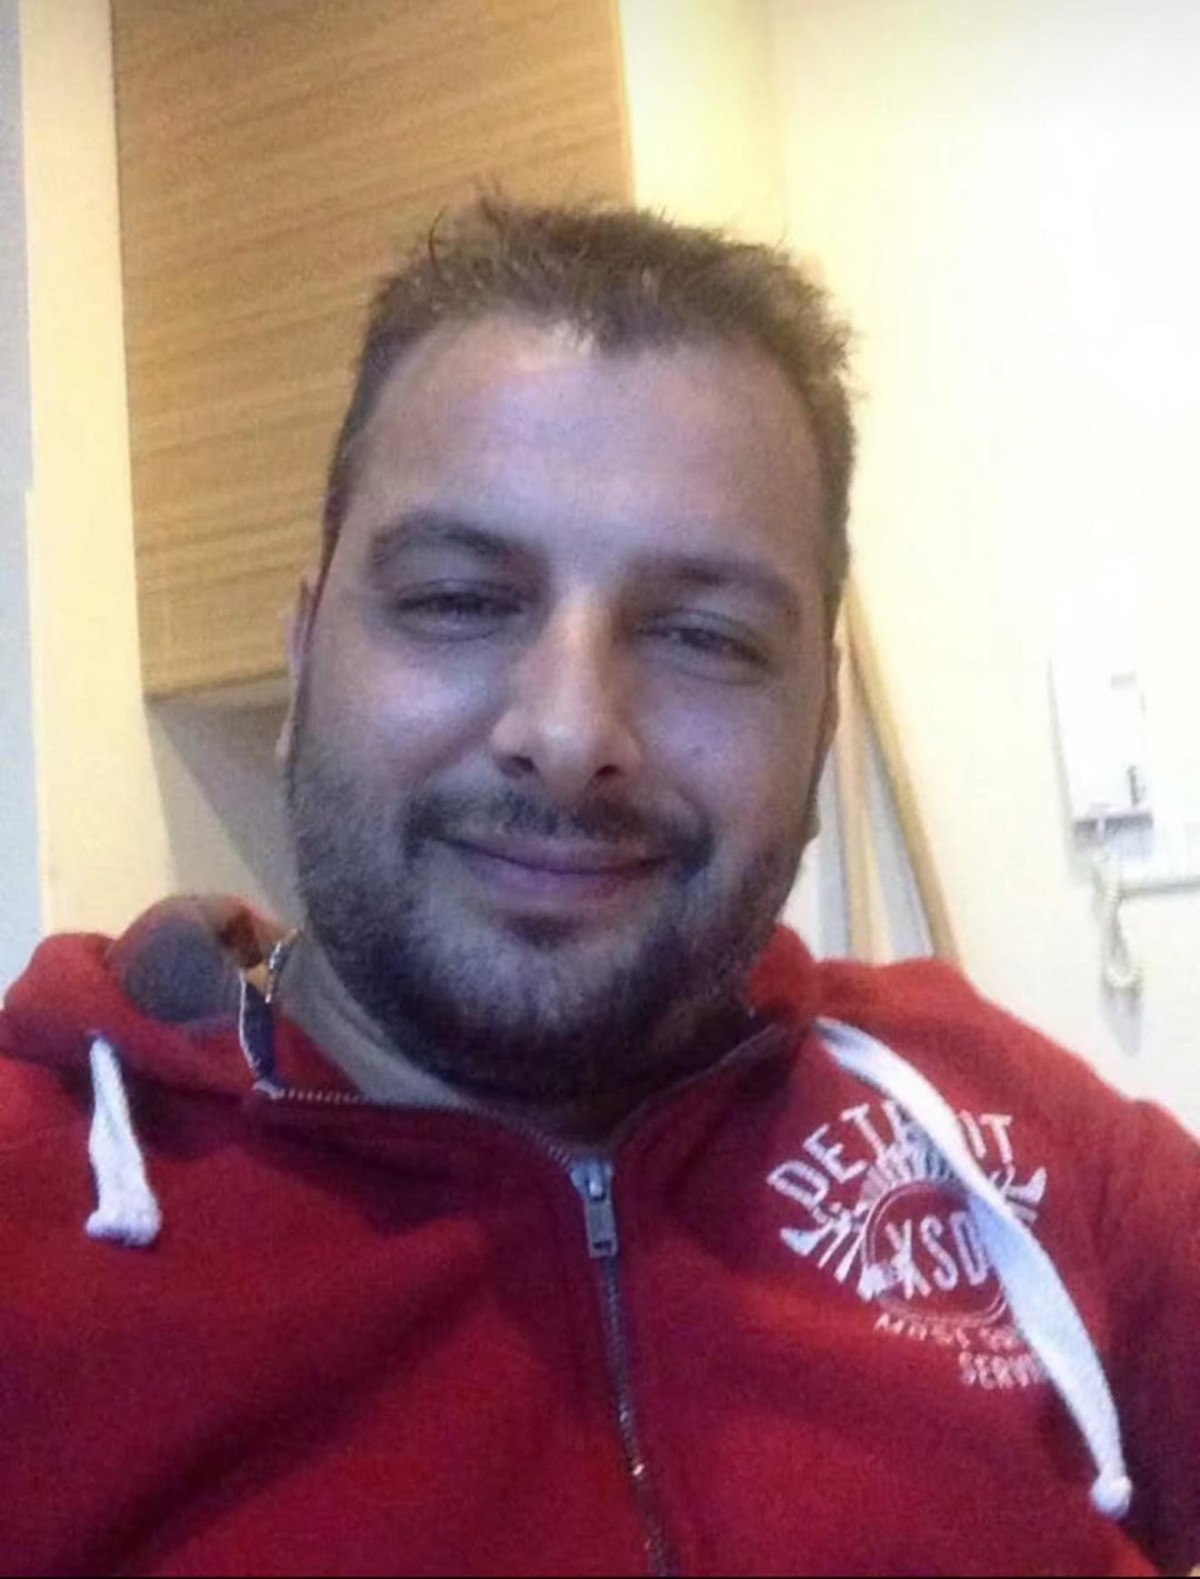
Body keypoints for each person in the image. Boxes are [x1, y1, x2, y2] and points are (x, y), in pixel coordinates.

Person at [1, 198, 1197, 1578]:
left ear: (821, 724)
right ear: (307, 650)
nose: (569, 734)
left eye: (703, 635)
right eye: (459, 600)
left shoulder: (999, 1130)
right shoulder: (33, 1209)